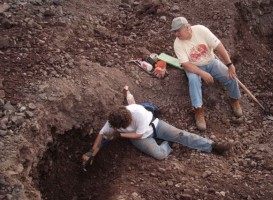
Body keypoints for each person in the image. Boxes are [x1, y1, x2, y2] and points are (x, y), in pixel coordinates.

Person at [82, 104, 232, 165]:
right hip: (142, 137)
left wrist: (120, 136)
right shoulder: (112, 121)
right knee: (160, 155)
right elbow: (101, 136)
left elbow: (138, 134)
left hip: (154, 126)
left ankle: (212, 146)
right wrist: (92, 152)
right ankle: (169, 144)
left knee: (181, 134)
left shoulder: (138, 113)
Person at [171, 17, 243, 131]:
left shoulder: (201, 30)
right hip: (193, 66)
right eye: (174, 31)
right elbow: (186, 64)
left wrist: (230, 65)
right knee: (194, 80)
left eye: (178, 31)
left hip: (211, 61)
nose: (176, 34)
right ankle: (198, 110)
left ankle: (235, 100)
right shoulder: (177, 44)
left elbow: (219, 46)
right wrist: (202, 73)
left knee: (232, 76)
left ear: (187, 27)